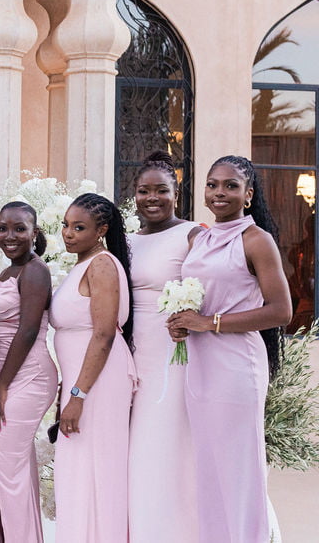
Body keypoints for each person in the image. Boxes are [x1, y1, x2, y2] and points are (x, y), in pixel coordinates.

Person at [167, 155, 291, 543]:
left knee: (240, 471)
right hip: (199, 365)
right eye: (213, 184)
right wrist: (181, 320)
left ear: (248, 195)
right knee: (208, 468)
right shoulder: (198, 237)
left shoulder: (256, 241)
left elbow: (282, 311)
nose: (220, 192)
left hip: (238, 366)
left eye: (231, 186)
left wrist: (210, 323)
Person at [49, 193, 136, 543]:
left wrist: (78, 394)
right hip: (81, 381)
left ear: (101, 229)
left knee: (96, 470)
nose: (68, 234)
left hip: (97, 383)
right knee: (78, 471)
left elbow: (103, 334)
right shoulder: (82, 264)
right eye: (65, 226)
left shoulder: (101, 265)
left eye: (78, 227)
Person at [127, 151, 201, 543]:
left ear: (177, 193)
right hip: (130, 355)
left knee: (165, 447)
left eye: (161, 190)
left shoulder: (193, 234)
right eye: (143, 191)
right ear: (133, 194)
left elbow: (218, 286)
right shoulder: (124, 240)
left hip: (174, 356)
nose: (151, 198)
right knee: (135, 450)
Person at [0, 201, 57, 542]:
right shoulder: (6, 273)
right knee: (14, 467)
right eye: (3, 228)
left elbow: (27, 331)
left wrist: (0, 388)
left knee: (6, 465)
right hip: (5, 374)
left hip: (27, 376)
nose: (9, 236)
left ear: (35, 233)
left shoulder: (35, 270)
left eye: (19, 229)